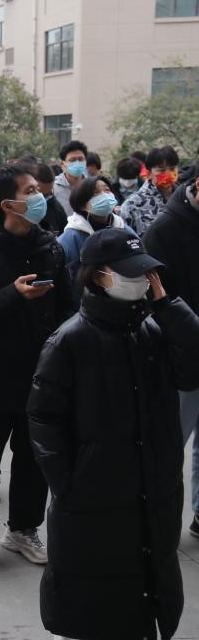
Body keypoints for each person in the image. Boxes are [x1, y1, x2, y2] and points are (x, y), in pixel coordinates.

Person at [28, 228, 199, 640]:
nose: (141, 281)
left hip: (153, 491)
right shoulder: (69, 340)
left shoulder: (153, 329)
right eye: (130, 273)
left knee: (146, 587)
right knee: (94, 600)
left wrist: (169, 307)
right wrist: (69, 484)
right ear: (99, 276)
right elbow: (44, 418)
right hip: (93, 498)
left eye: (146, 273)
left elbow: (192, 368)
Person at [0, 162, 74, 570]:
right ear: (8, 204)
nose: (39, 195)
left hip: (41, 375)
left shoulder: (51, 247)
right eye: (29, 191)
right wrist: (13, 294)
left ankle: (23, 528)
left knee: (34, 459)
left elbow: (67, 307)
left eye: (38, 189)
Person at [144, 176, 199, 537]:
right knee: (169, 443)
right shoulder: (164, 229)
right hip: (182, 356)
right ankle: (155, 520)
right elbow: (157, 300)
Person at [58, 175, 135, 305]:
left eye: (107, 190)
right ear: (82, 205)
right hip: (87, 305)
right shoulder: (70, 239)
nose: (104, 195)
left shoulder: (124, 230)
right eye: (96, 193)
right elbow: (69, 282)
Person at [121, 145, 181, 236]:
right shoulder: (132, 204)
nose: (168, 174)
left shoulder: (186, 197)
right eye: (161, 170)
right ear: (149, 173)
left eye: (172, 169)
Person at [28, 158, 69, 235]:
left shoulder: (57, 209)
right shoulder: (18, 210)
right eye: (40, 194)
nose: (44, 199)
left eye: (49, 194)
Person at [52, 140, 89, 215]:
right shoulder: (53, 187)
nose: (77, 163)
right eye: (72, 160)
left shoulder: (93, 186)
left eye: (81, 159)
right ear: (63, 164)